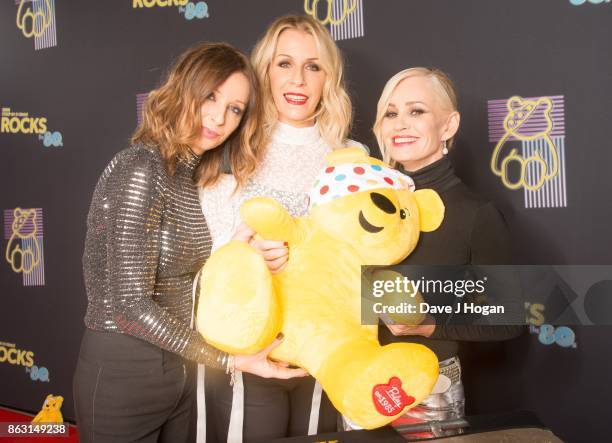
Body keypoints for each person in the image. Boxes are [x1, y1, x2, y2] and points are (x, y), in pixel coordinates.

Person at [73, 42, 305, 443]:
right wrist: (229, 360)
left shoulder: (188, 178)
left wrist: (239, 255)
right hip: (124, 375)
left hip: (179, 372)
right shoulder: (141, 167)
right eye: (211, 96)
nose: (219, 117)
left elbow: (186, 280)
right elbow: (129, 305)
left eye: (235, 109)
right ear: (184, 89)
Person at [199, 15, 365, 443]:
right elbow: (205, 262)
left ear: (329, 77)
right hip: (253, 353)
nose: (299, 79)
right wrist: (247, 255)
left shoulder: (350, 155)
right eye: (284, 64)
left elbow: (361, 256)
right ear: (264, 72)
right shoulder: (231, 146)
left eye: (313, 66)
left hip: (323, 354)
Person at [372, 67, 523, 438]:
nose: (400, 124)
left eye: (417, 111)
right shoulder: (366, 207)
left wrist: (429, 324)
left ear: (449, 125)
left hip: (429, 392)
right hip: (360, 381)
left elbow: (509, 318)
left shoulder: (476, 213)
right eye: (391, 113)